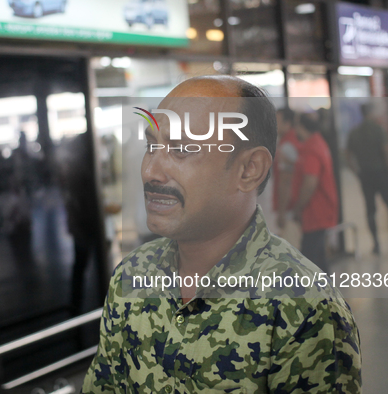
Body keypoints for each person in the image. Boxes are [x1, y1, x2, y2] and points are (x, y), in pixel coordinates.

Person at [81, 76, 361, 393]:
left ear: (249, 169)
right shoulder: (131, 276)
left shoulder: (303, 310)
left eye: (182, 149)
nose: (150, 171)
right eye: (151, 146)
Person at [347, 103, 388, 254]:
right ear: (371, 113)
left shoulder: (355, 132)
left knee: (370, 210)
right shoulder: (378, 129)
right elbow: (387, 152)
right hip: (381, 174)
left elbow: (348, 155)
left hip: (365, 175)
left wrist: (357, 172)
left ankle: (376, 244)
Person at [291, 113, 338, 273]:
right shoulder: (318, 143)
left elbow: (310, 183)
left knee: (308, 260)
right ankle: (328, 293)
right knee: (318, 258)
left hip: (315, 211)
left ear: (302, 127)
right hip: (320, 210)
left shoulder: (311, 149)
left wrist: (298, 208)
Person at [273, 107, 302, 235]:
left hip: (290, 208)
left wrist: (282, 212)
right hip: (297, 206)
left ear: (287, 123)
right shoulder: (297, 141)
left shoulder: (286, 147)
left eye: (277, 121)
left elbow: (285, 181)